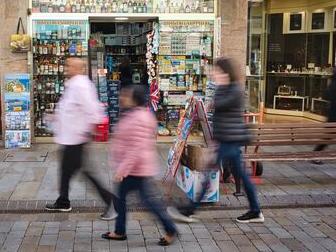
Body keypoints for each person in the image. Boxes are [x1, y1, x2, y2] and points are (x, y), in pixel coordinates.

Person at [167, 57, 264, 224]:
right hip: (224, 139)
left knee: (209, 173)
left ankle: (190, 210)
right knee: (239, 175)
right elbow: (216, 114)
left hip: (231, 140)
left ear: (225, 73)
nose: (214, 75)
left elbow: (220, 106)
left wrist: (212, 103)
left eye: (217, 72)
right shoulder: (223, 89)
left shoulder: (235, 90)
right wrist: (213, 141)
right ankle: (255, 211)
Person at [102, 85, 178, 246]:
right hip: (134, 167)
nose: (122, 97)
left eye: (126, 95)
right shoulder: (136, 114)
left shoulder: (139, 118)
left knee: (147, 201)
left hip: (136, 169)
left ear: (134, 99)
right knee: (122, 198)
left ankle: (170, 229)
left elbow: (136, 147)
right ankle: (120, 230)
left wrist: (123, 170)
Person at [45, 57, 118, 220]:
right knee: (65, 170)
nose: (66, 68)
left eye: (69, 65)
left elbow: (93, 109)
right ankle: (63, 201)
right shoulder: (73, 84)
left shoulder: (80, 85)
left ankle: (112, 202)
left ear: (78, 68)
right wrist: (55, 117)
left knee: (85, 172)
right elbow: (69, 108)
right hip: (69, 137)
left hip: (76, 138)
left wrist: (94, 130)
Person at [312, 67, 336, 164]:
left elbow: (327, 96)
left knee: (327, 138)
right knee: (327, 138)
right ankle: (315, 154)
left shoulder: (332, 84)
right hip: (334, 116)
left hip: (332, 115)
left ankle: (315, 154)